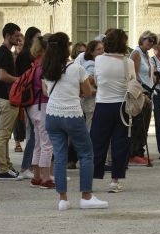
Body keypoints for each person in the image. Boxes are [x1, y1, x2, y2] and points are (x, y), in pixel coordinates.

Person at [43, 32, 108, 210]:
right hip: (72, 113)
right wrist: (75, 93)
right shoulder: (76, 68)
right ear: (66, 48)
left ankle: (63, 198)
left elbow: (45, 91)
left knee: (59, 156)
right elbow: (87, 92)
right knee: (86, 154)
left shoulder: (47, 67)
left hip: (52, 115)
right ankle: (86, 196)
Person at [90, 29, 133, 193]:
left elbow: (97, 81)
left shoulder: (99, 60)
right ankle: (115, 180)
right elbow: (132, 82)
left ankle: (93, 178)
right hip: (122, 106)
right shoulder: (127, 62)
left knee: (98, 142)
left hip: (102, 104)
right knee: (120, 143)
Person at [68, 39, 104, 169]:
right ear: (92, 52)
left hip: (87, 101)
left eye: (102, 48)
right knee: (89, 131)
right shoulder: (91, 63)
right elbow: (88, 79)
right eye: (99, 49)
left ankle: (75, 159)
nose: (102, 51)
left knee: (83, 131)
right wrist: (97, 82)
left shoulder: (91, 62)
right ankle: (87, 160)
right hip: (90, 101)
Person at [0, 22, 23, 180]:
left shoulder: (6, 51)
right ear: (8, 35)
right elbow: (2, 76)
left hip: (7, 97)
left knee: (5, 134)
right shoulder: (4, 52)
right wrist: (19, 80)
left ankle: (6, 165)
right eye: (16, 35)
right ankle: (3, 168)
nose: (19, 38)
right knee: (4, 134)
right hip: (6, 98)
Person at [26, 36, 53, 188]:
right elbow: (46, 90)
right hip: (43, 105)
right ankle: (46, 178)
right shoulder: (45, 67)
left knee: (38, 143)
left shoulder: (34, 65)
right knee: (47, 143)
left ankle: (36, 176)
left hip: (33, 107)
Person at [15, 26, 42, 178]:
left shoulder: (27, 54)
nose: (39, 39)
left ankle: (30, 166)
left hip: (31, 97)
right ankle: (26, 167)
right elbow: (28, 77)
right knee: (34, 132)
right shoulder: (26, 56)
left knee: (35, 132)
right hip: (30, 98)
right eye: (37, 37)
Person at [128, 30, 156, 166]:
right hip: (141, 92)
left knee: (144, 123)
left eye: (153, 41)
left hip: (149, 91)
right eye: (148, 40)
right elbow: (134, 76)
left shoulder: (146, 55)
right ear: (142, 39)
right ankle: (134, 153)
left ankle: (140, 151)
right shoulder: (136, 53)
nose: (151, 43)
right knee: (138, 123)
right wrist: (143, 91)